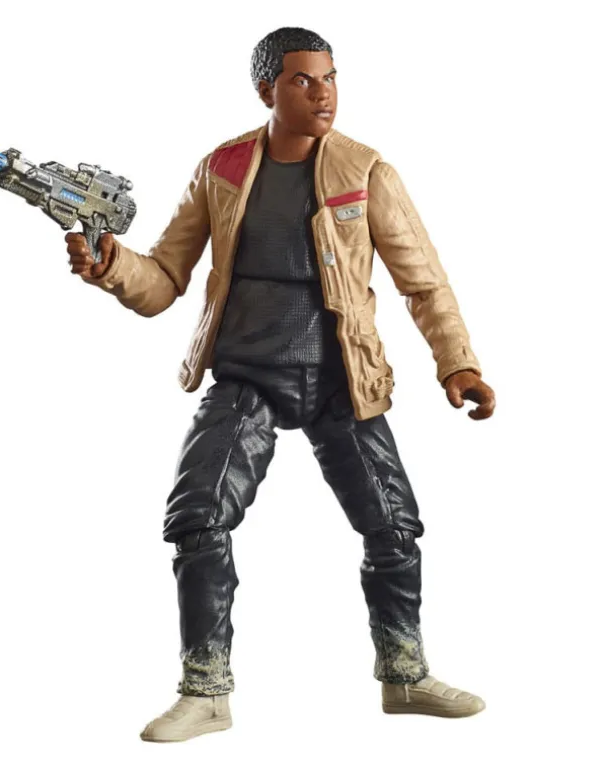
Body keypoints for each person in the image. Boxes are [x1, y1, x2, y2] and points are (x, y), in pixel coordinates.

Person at [66, 27, 496, 742]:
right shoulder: (223, 169)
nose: (322, 93)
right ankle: (205, 689)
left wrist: (458, 364)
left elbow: (423, 282)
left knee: (394, 527)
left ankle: (405, 673)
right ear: (267, 89)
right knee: (197, 517)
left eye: (330, 78)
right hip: (247, 373)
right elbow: (164, 278)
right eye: (302, 80)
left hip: (342, 377)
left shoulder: (366, 171)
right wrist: (111, 266)